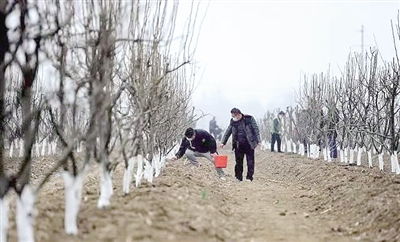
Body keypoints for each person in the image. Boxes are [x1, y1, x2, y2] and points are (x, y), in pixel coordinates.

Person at [220, 108, 260, 182]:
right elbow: (228, 131)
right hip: (238, 145)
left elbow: (256, 129)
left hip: (249, 144)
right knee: (238, 162)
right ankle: (238, 177)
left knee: (250, 162)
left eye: (234, 116)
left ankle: (249, 177)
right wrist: (223, 142)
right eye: (232, 116)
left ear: (238, 114)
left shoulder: (249, 119)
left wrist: (258, 140)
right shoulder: (233, 122)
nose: (234, 118)